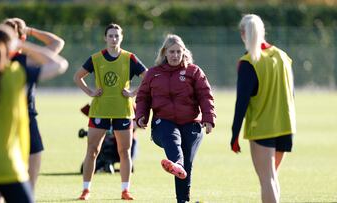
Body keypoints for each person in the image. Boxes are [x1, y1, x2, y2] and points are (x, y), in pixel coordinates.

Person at [0, 25, 67, 203]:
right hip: (8, 165)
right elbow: (59, 64)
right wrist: (21, 45)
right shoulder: (15, 74)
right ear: (9, 47)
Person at [135, 34, 215, 203]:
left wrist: (208, 118)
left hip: (191, 124)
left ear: (184, 52)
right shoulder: (153, 73)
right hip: (163, 123)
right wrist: (141, 116)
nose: (175, 55)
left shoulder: (194, 71)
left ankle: (182, 200)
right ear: (164, 52)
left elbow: (205, 95)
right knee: (173, 142)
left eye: (178, 52)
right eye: (172, 52)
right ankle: (176, 162)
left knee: (186, 165)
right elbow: (143, 97)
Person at [74, 23, 147, 200]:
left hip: (123, 111)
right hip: (100, 110)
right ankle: (86, 190)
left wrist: (132, 93)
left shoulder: (130, 58)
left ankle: (125, 190)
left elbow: (148, 77)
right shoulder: (96, 58)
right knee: (92, 150)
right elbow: (78, 77)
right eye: (110, 35)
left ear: (121, 38)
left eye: (117, 36)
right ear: (105, 38)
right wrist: (91, 92)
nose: (114, 38)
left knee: (124, 151)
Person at [230, 14, 296, 203]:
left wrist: (234, 134)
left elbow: (241, 102)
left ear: (243, 33)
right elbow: (291, 93)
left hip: (263, 128)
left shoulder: (249, 61)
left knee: (266, 180)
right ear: (263, 31)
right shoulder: (283, 56)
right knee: (272, 177)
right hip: (286, 125)